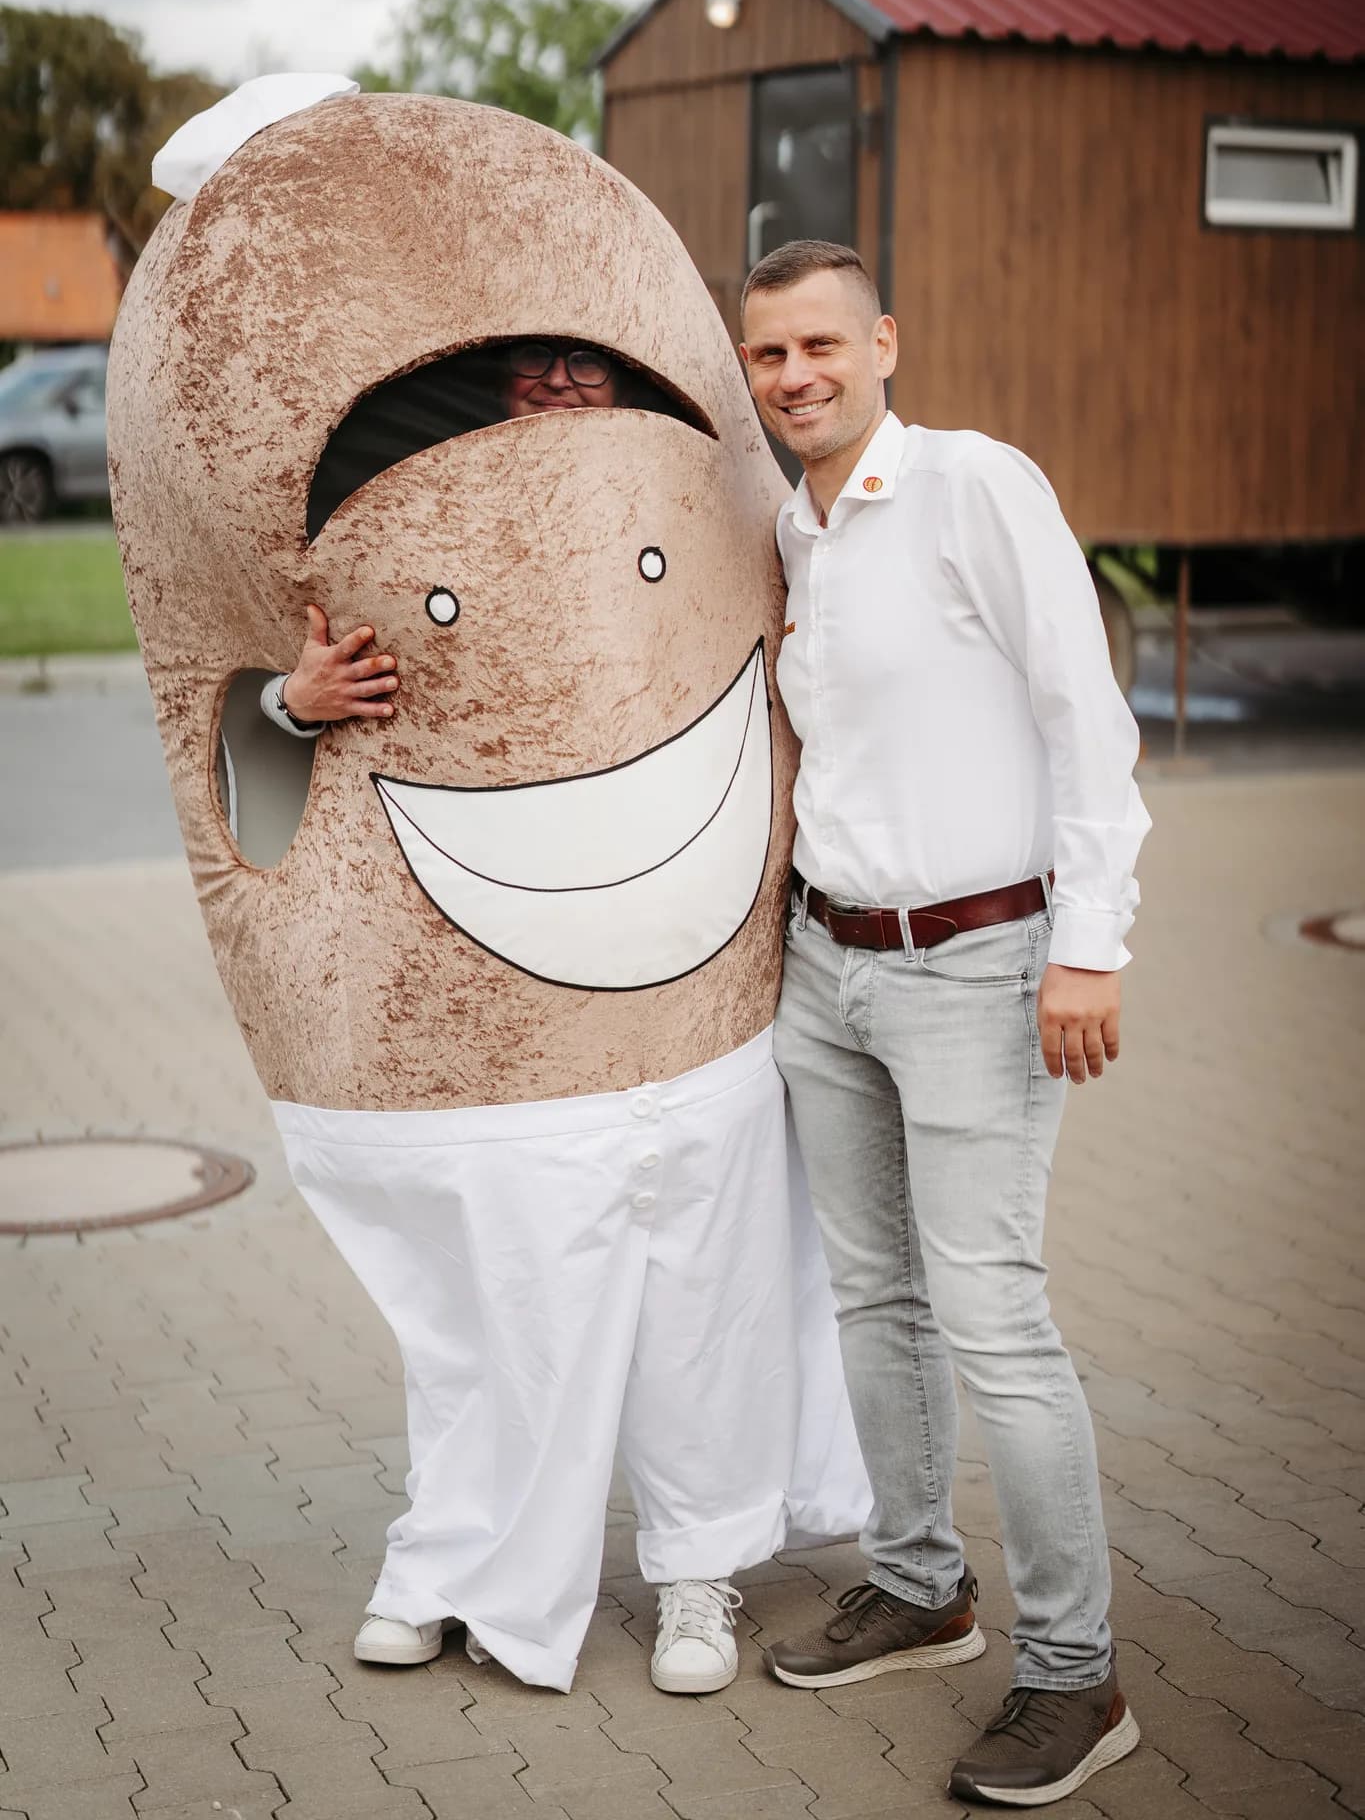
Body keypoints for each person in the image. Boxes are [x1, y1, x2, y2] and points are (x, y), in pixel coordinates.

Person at [254, 328, 869, 1691]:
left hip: (699, 1002)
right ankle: (460, 1565)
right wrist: (291, 704)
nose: (560, 393)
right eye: (529, 372)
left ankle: (698, 1574)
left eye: (584, 370)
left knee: (702, 1300)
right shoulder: (393, 512)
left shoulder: (715, 506)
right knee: (498, 1310)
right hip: (501, 1031)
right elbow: (219, 687)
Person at [739, 239, 1150, 1806]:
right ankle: (920, 1587)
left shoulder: (977, 487)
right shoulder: (793, 529)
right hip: (827, 971)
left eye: (822, 345)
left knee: (996, 1322)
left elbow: (1082, 717)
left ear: (885, 340)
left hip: (984, 965)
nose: (797, 378)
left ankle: (1074, 1677)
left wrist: (1089, 948)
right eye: (770, 355)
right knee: (874, 1300)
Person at [261, 339, 620, 734]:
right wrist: (292, 702)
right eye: (535, 356)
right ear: (502, 380)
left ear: (623, 389)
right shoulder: (419, 497)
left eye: (587, 363)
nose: (557, 380)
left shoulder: (665, 500)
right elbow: (291, 648)